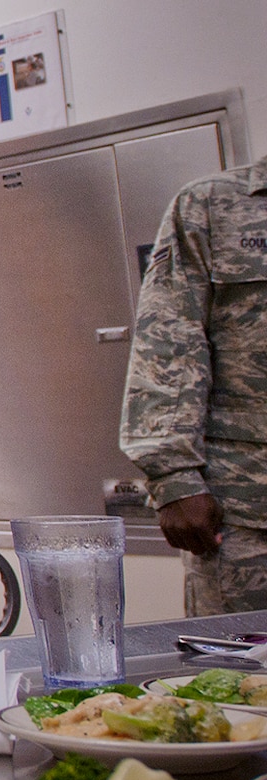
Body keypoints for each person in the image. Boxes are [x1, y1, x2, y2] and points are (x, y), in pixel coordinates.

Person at [121, 158, 267, 615]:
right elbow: (168, 340)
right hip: (248, 515)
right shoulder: (212, 205)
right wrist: (173, 476)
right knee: (237, 677)